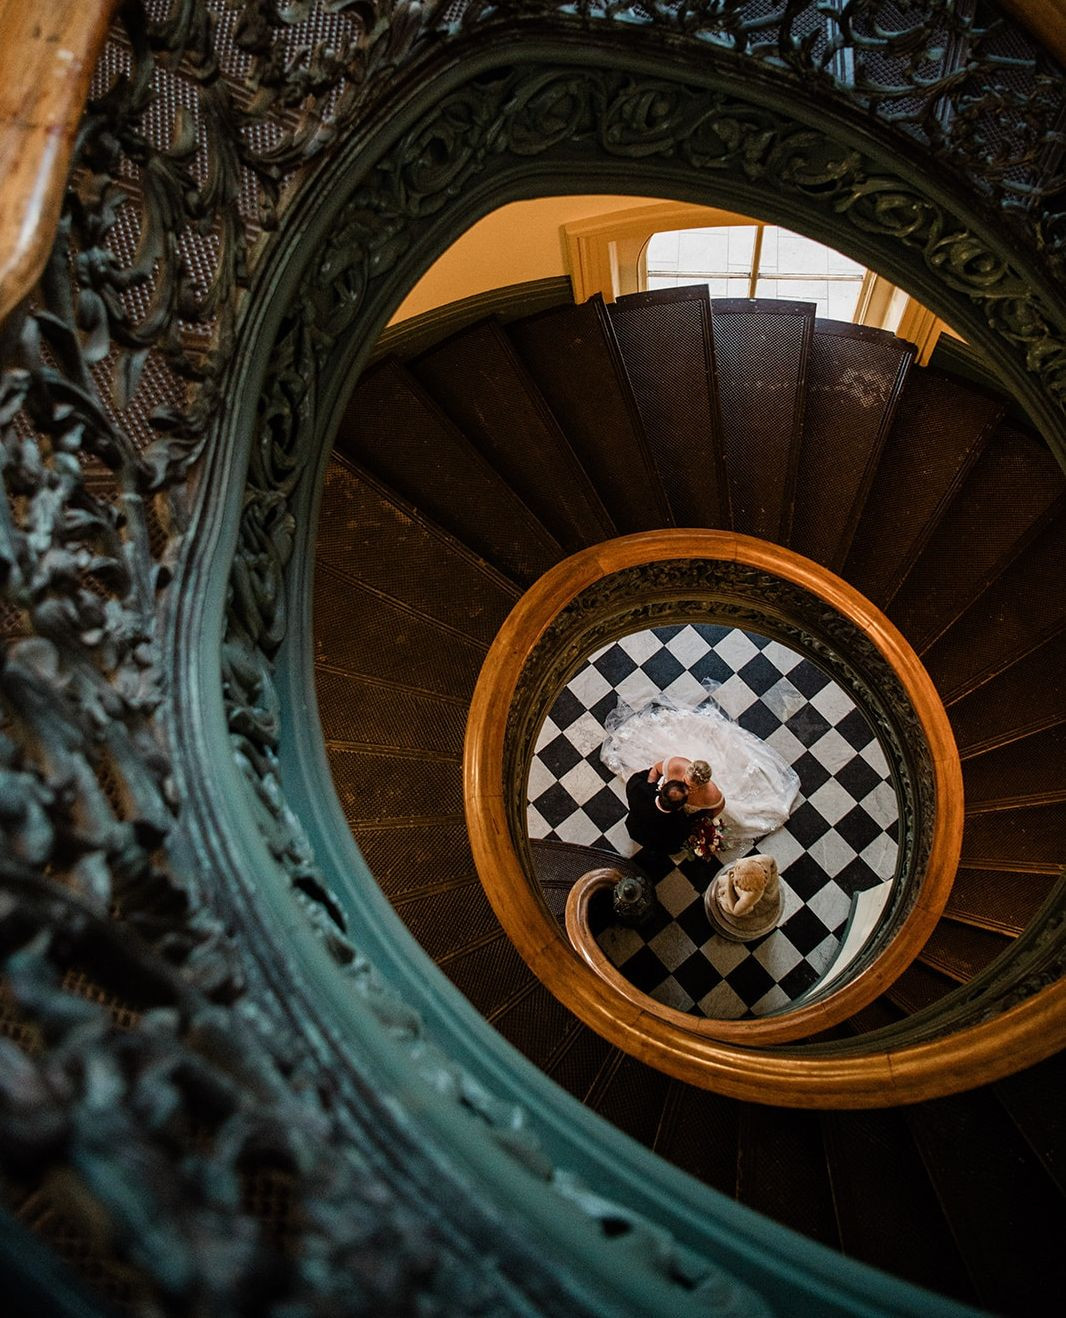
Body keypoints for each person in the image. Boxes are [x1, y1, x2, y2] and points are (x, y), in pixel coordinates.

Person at [603, 680, 800, 859]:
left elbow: (713, 808)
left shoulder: (640, 793)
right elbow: (656, 770)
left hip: (637, 827)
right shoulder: (679, 820)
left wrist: (649, 782)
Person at [623, 773, 693, 854]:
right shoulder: (679, 824)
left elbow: (637, 778)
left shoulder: (639, 789)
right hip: (655, 844)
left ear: (662, 787)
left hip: (633, 828)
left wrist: (652, 785)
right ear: (679, 807)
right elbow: (682, 836)